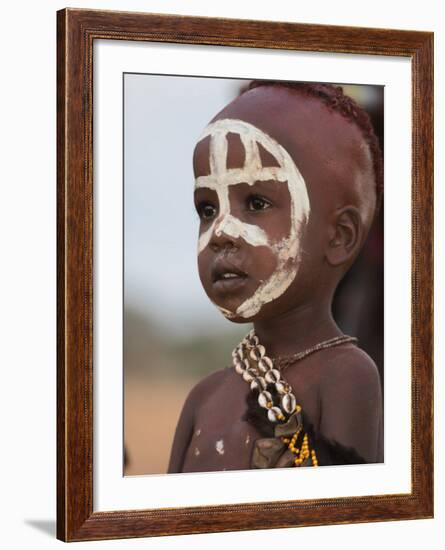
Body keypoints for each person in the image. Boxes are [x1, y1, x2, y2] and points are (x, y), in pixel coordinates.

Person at [167, 81, 383, 473]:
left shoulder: (346, 375)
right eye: (207, 208)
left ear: (339, 236)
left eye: (256, 203)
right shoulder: (203, 398)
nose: (221, 232)